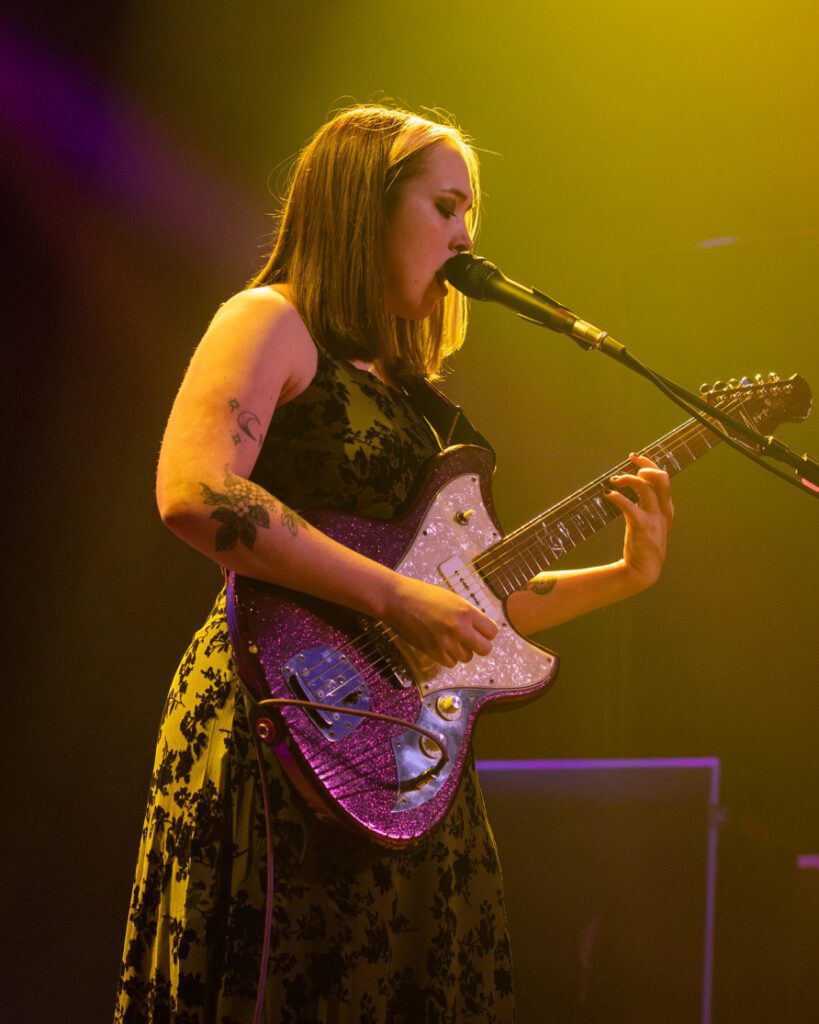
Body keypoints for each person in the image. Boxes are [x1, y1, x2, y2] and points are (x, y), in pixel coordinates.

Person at [114, 104, 673, 1024]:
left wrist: (625, 578)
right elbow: (195, 490)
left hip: (404, 752)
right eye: (445, 207)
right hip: (280, 712)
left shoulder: (421, 403)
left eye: (469, 214)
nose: (465, 238)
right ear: (362, 205)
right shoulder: (270, 320)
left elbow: (466, 606)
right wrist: (393, 596)